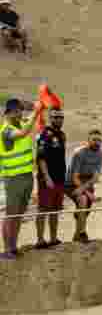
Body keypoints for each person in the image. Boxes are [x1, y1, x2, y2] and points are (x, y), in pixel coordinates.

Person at [1, 99, 44, 259]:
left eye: (21, 111)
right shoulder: (6, 131)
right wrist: (36, 111)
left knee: (19, 214)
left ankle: (13, 246)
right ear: (10, 112)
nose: (21, 114)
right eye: (18, 111)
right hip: (13, 179)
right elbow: (23, 133)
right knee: (11, 214)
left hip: (26, 177)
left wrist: (40, 101)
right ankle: (6, 249)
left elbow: (31, 118)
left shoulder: (21, 122)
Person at [34, 108, 67, 249]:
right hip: (46, 179)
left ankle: (53, 238)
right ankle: (40, 240)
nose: (58, 120)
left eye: (60, 117)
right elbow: (40, 158)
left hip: (59, 178)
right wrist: (47, 177)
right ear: (50, 118)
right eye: (55, 117)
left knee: (55, 209)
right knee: (43, 209)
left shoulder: (62, 135)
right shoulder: (44, 135)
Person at [67, 128, 102, 243]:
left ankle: (76, 235)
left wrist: (86, 189)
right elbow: (74, 177)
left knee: (85, 210)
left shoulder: (101, 154)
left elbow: (95, 177)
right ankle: (82, 233)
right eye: (94, 140)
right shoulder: (79, 153)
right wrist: (88, 193)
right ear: (88, 140)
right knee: (83, 199)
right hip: (71, 183)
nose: (97, 142)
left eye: (99, 140)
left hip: (87, 182)